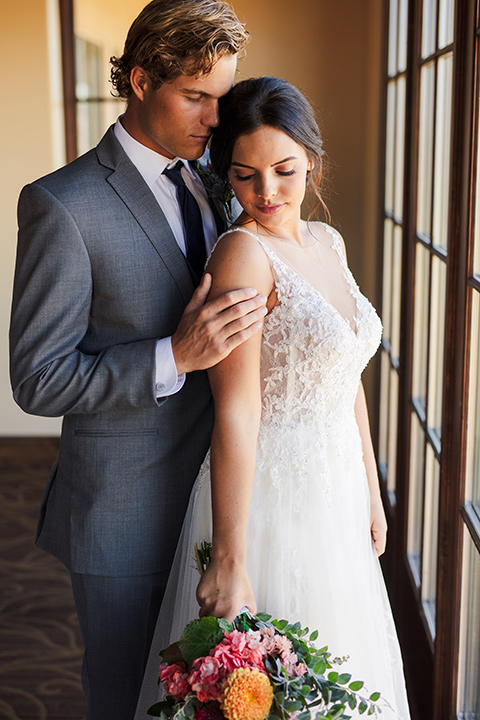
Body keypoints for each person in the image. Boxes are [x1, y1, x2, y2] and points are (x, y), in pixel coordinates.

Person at [9, 3, 268, 719]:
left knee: (215, 695)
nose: (216, 118)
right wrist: (172, 356)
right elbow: (37, 378)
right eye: (196, 96)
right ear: (141, 79)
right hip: (124, 512)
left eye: (223, 96)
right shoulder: (63, 206)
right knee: (127, 700)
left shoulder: (219, 179)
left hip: (224, 500)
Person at [135, 77, 411, 718]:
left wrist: (370, 490)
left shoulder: (327, 243)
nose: (266, 193)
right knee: (275, 686)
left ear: (312, 159)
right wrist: (230, 553)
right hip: (272, 495)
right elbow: (236, 408)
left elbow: (347, 379)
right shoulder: (242, 256)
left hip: (336, 488)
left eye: (285, 171)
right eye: (244, 175)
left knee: (338, 674)